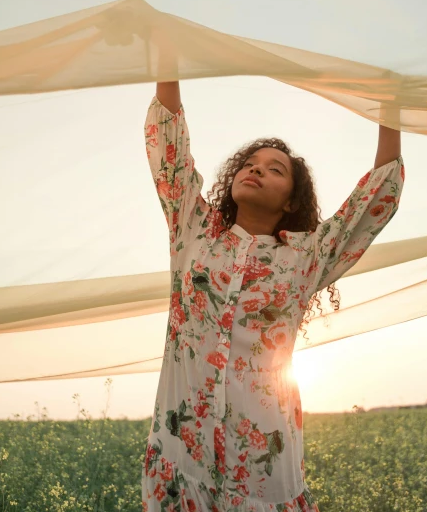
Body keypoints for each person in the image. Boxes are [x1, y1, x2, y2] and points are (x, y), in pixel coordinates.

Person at [142, 80, 404, 512]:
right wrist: (167, 53)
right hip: (181, 460)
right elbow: (169, 145)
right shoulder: (193, 229)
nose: (256, 169)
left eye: (274, 169)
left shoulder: (306, 256)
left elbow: (378, 195)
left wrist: (391, 99)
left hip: (262, 474)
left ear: (290, 202)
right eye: (250, 163)